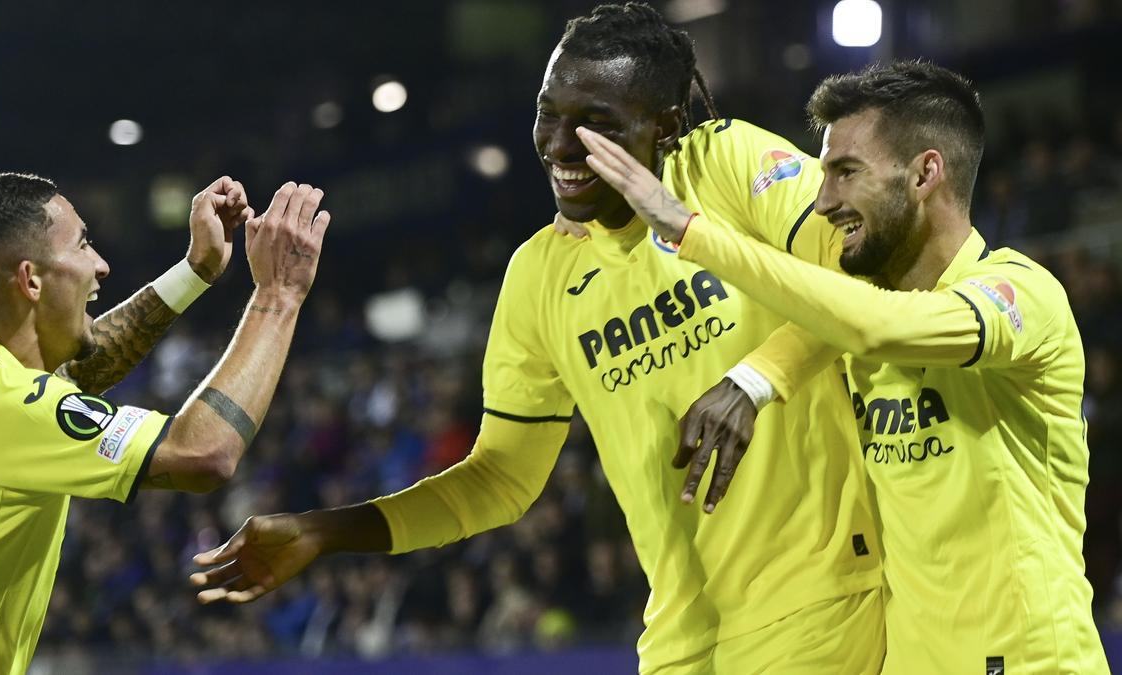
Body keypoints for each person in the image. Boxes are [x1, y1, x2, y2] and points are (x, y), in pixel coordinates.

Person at [192, 4, 885, 673]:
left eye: (594, 123)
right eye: (548, 113)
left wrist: (754, 380)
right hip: (683, 637)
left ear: (666, 124)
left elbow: (862, 272)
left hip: (825, 605)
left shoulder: (724, 163)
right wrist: (325, 530)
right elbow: (500, 479)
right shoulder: (539, 275)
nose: (558, 145)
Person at [573, 59, 1109, 673]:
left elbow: (880, 327)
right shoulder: (848, 322)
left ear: (925, 173)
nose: (823, 201)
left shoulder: (1020, 294)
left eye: (845, 173)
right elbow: (835, 319)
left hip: (1030, 660)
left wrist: (688, 230)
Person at [0, 173, 331, 674]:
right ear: (31, 280)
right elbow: (202, 453)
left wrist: (194, 272)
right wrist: (279, 295)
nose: (101, 265)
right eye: (83, 244)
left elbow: (77, 376)